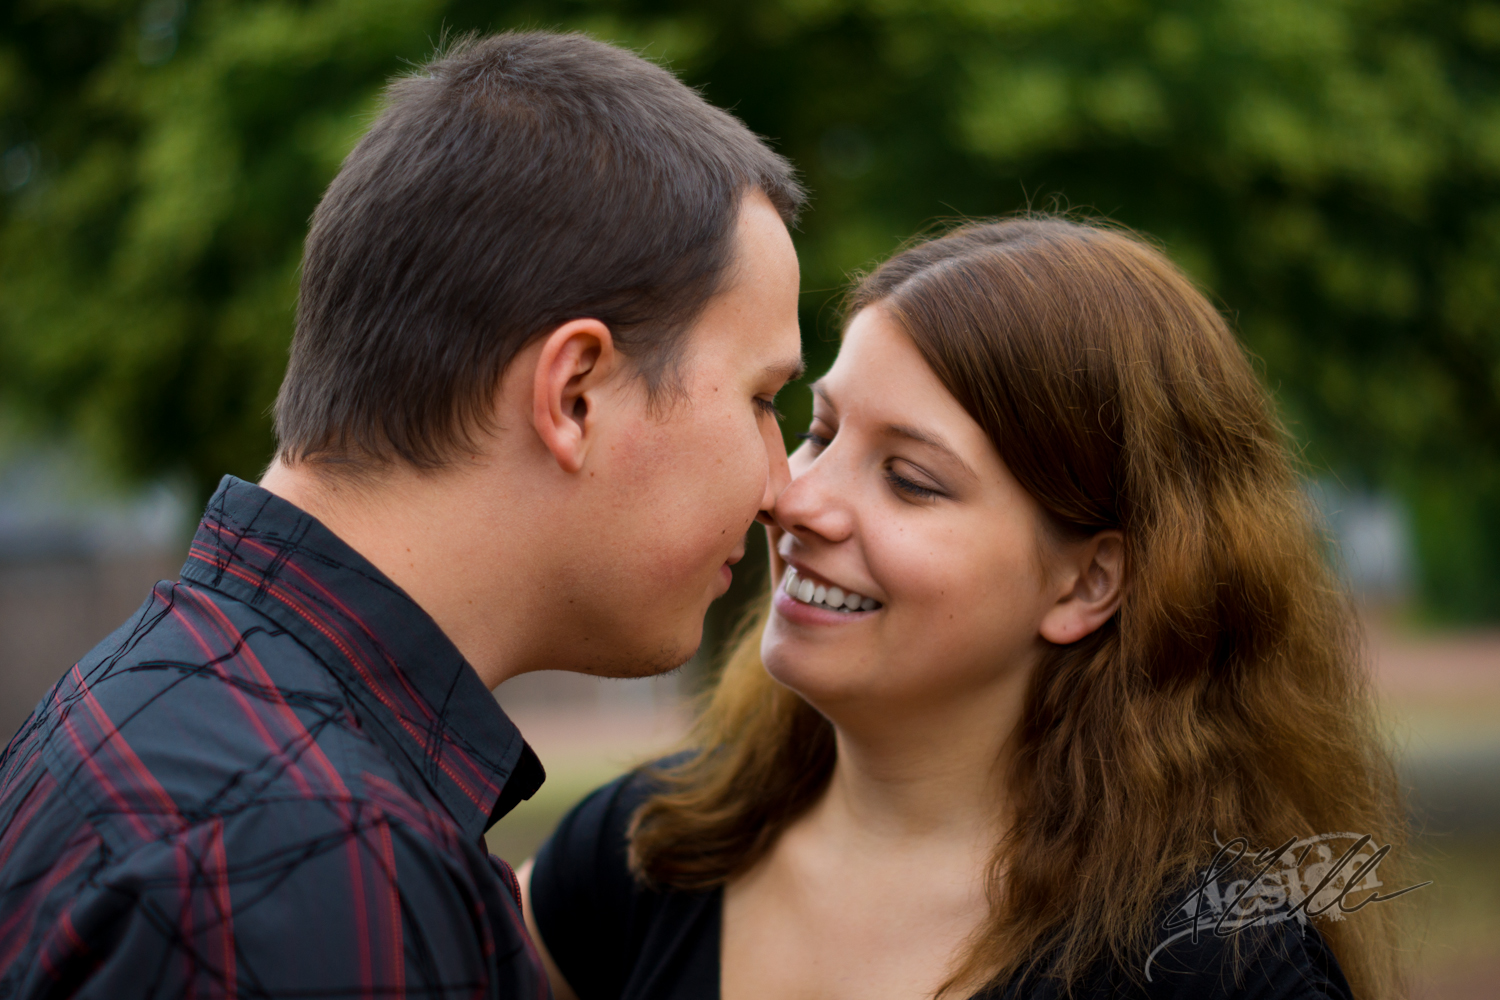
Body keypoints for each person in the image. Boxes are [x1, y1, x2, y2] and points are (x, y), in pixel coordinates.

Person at [0, 31, 805, 999]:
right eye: (764, 399)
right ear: (576, 394)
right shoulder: (308, 864)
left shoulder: (168, 699)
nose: (781, 484)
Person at [522, 216, 1412, 1000]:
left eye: (909, 480)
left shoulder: (1212, 966)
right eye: (820, 430)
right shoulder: (651, 849)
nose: (794, 499)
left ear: (1085, 584)